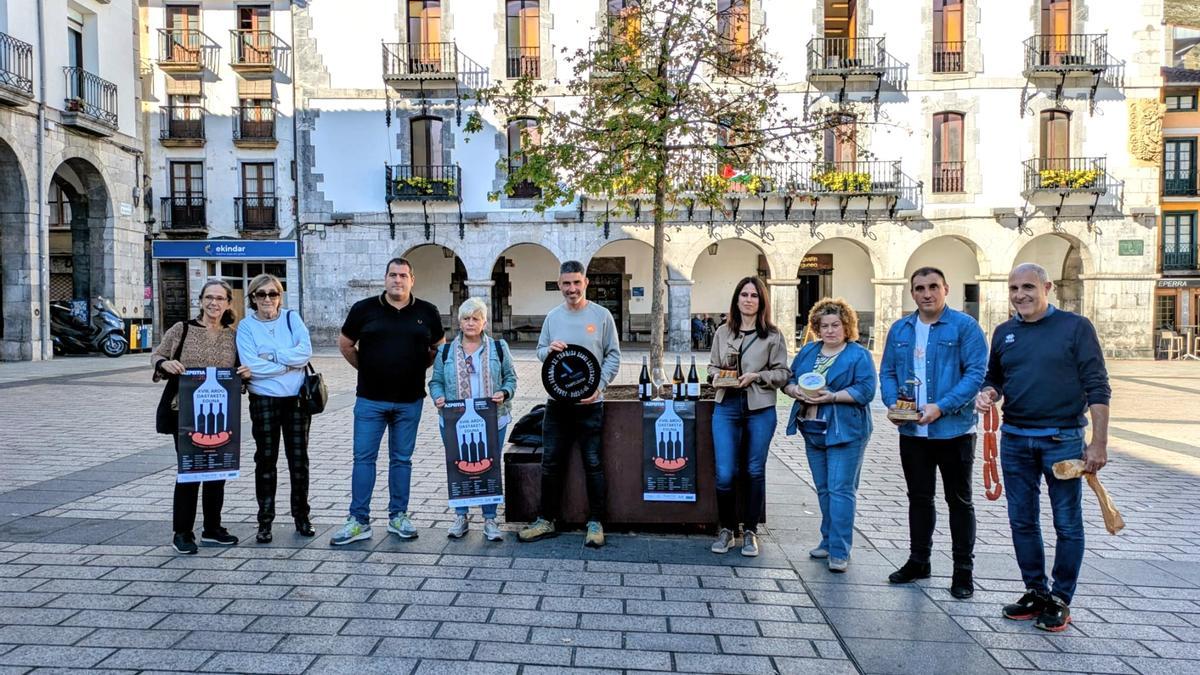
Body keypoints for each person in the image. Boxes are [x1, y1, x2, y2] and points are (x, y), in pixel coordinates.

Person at [975, 262, 1111, 633]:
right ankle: (1036, 591)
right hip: (1015, 439)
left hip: (1062, 440)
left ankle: (1060, 598)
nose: (1020, 295)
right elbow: (994, 377)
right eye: (1014, 288)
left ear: (1046, 288)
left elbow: (1098, 385)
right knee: (1021, 519)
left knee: (1066, 521)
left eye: (1028, 287)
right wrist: (988, 393)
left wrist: (1098, 443)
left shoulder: (1076, 327)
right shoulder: (1004, 332)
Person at [880, 267, 988, 598]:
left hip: (954, 430)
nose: (926, 294)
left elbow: (976, 374)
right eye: (919, 288)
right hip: (913, 432)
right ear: (912, 292)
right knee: (919, 498)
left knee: (959, 501)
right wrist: (894, 405)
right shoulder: (901, 328)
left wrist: (942, 406)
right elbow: (887, 371)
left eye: (933, 287)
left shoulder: (965, 326)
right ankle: (919, 561)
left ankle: (963, 571)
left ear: (946, 289)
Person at [330, 257, 445, 545]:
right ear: (385, 278)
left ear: (412, 280)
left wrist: (416, 367)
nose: (398, 280)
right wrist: (367, 368)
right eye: (393, 275)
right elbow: (345, 344)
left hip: (409, 400)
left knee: (402, 460)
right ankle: (358, 520)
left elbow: (438, 348)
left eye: (403, 275)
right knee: (363, 459)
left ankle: (398, 516)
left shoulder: (427, 312)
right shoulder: (364, 309)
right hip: (370, 400)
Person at [518, 261, 621, 547]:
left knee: (593, 463)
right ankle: (546, 520)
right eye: (566, 283)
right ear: (559, 284)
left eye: (576, 282)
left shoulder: (601, 316)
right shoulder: (553, 317)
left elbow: (613, 355)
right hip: (557, 404)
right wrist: (548, 351)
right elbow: (540, 351)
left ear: (585, 282)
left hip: (590, 404)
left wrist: (599, 387)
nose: (571, 288)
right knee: (551, 463)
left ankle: (596, 523)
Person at [152, 279, 250, 554]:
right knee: (190, 470)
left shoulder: (233, 336)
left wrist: (244, 374)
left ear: (228, 303)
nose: (213, 303)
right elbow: (157, 355)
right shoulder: (181, 329)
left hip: (220, 414)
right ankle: (182, 532)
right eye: (209, 297)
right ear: (201, 301)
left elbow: (239, 370)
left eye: (219, 298)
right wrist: (165, 363)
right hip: (184, 412)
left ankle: (212, 528)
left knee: (217, 470)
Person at [784, 298, 876, 572]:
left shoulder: (858, 355)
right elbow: (789, 379)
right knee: (824, 489)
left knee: (841, 490)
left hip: (846, 431)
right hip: (813, 430)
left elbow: (866, 391)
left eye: (836, 325)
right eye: (824, 326)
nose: (830, 330)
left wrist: (833, 396)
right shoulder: (809, 351)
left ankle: (839, 549)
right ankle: (827, 541)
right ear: (816, 327)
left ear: (847, 326)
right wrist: (794, 391)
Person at [707, 277, 790, 557]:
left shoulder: (773, 335)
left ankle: (751, 531)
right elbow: (712, 366)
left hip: (760, 408)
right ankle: (727, 529)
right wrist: (717, 377)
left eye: (754, 295)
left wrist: (758, 376)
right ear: (737, 299)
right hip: (727, 406)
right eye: (744, 294)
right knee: (725, 472)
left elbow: (783, 373)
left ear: (762, 301)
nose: (749, 300)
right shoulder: (723, 332)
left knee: (754, 470)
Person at [429, 297, 518, 542]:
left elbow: (511, 378)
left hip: (493, 418)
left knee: (489, 465)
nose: (470, 323)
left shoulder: (498, 348)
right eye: (466, 318)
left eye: (475, 319)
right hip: (455, 419)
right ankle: (461, 516)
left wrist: (505, 392)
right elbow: (435, 381)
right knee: (458, 464)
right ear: (459, 322)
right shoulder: (446, 351)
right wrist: (438, 396)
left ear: (484, 322)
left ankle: (490, 519)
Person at [236, 273, 315, 544]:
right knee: (266, 461)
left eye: (273, 293)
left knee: (299, 461)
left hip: (296, 400)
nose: (267, 299)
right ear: (253, 298)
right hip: (264, 400)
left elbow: (305, 353)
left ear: (280, 296)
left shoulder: (292, 319)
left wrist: (271, 357)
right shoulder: (246, 327)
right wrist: (287, 365)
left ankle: (302, 516)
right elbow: (250, 364)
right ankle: (265, 520)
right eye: (261, 294)